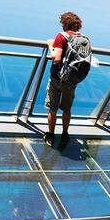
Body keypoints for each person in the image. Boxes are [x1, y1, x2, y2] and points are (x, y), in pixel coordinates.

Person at [43, 11, 90, 147]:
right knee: (67, 109)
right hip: (72, 80)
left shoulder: (61, 37)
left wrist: (50, 45)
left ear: (64, 23)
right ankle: (65, 134)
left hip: (57, 79)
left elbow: (56, 58)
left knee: (53, 108)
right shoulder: (84, 39)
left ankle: (51, 135)